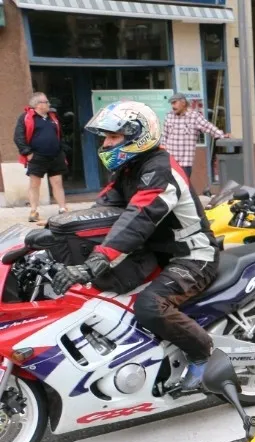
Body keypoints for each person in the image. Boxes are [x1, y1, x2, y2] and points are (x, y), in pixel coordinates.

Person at [51, 101, 221, 392]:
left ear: (137, 136)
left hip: (193, 257)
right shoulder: (129, 168)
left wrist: (98, 259)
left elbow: (137, 218)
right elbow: (99, 212)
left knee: (149, 306)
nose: (105, 144)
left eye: (113, 138)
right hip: (159, 255)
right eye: (106, 138)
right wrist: (44, 240)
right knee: (102, 295)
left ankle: (203, 354)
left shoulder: (160, 171)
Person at [14, 92, 69, 221]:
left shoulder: (52, 117)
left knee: (57, 183)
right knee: (35, 184)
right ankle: (33, 211)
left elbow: (59, 134)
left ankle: (63, 208)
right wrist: (27, 153)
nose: (48, 104)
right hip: (37, 157)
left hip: (55, 155)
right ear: (37, 105)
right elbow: (19, 137)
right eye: (46, 102)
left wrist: (61, 149)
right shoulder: (26, 117)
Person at [160, 93, 229, 180]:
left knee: (184, 188)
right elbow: (164, 136)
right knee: (171, 188)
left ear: (183, 103)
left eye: (174, 103)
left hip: (184, 162)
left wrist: (221, 135)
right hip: (170, 162)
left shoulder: (194, 116)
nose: (172, 106)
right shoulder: (169, 116)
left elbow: (208, 127)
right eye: (171, 104)